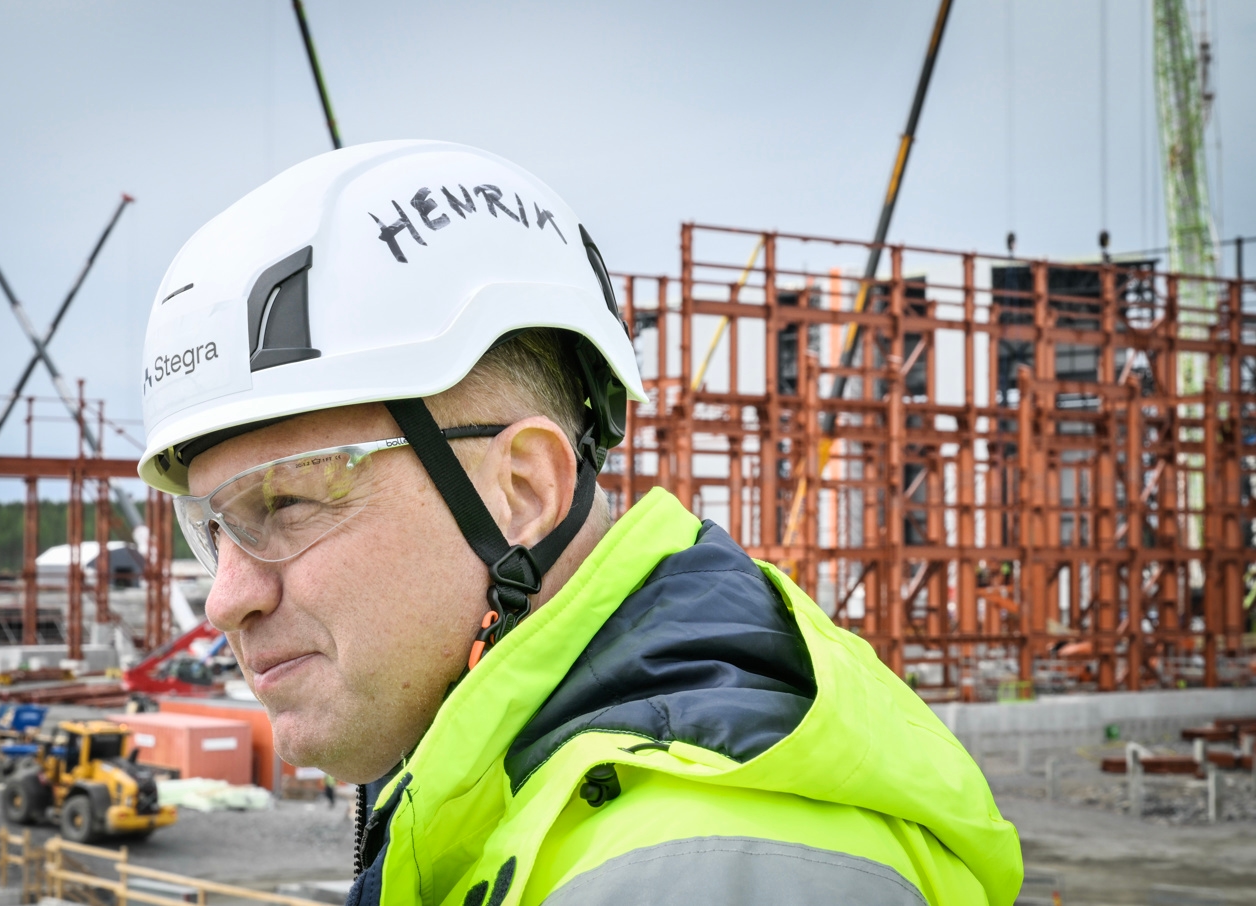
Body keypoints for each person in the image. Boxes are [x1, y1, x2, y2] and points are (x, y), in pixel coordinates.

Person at [137, 141, 1022, 905]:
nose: (225, 600)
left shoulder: (699, 865)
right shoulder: (499, 790)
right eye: (207, 527)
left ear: (522, 490)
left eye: (284, 503)